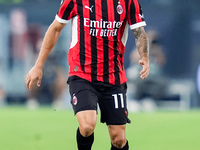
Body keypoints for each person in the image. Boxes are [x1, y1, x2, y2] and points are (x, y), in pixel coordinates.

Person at [26, 0, 149, 149]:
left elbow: (139, 32)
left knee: (118, 139)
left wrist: (145, 57)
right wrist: (38, 65)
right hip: (82, 74)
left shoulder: (129, 2)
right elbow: (56, 28)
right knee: (87, 126)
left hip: (113, 77)